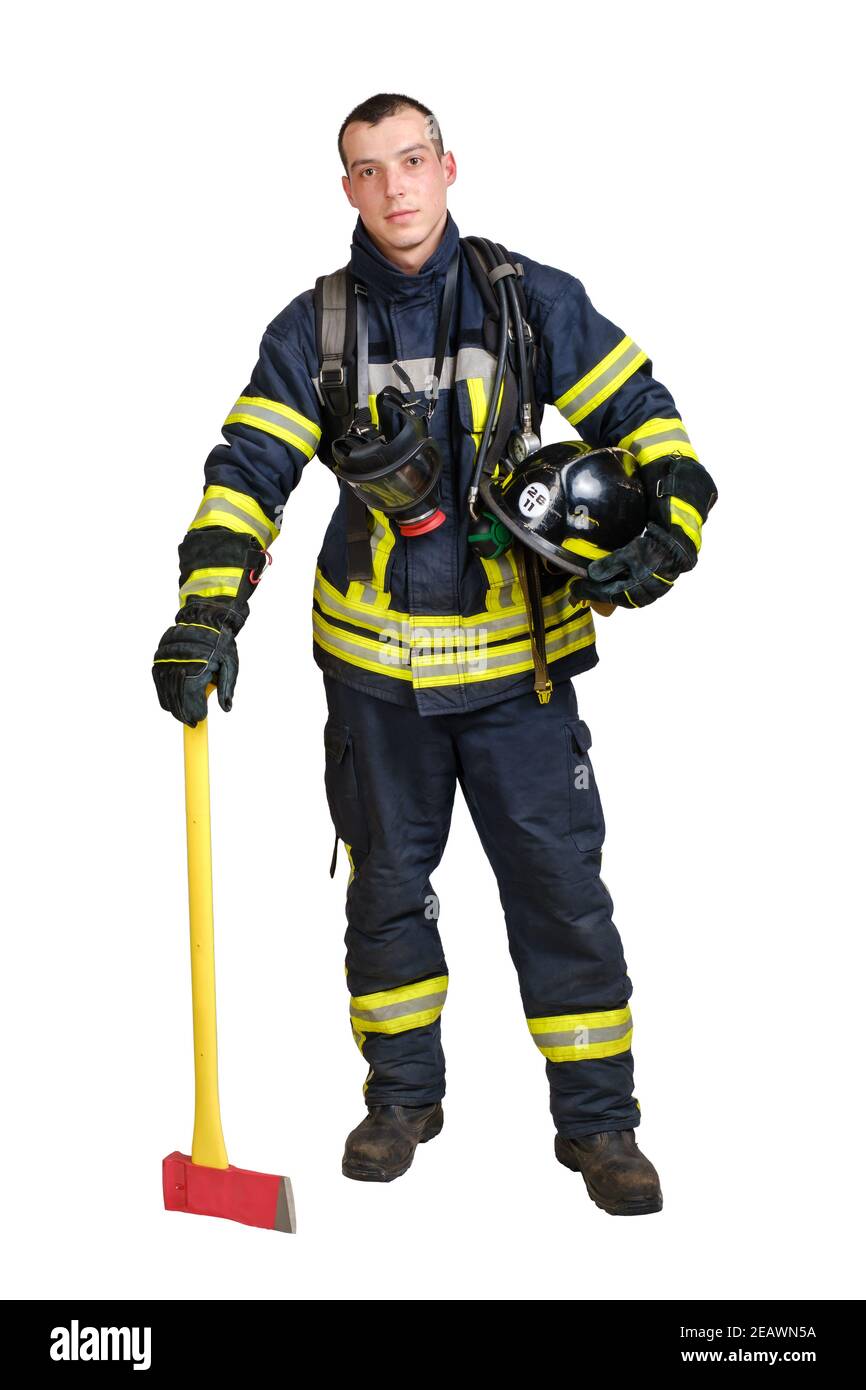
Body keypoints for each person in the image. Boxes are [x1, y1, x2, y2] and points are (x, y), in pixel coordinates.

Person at [153, 93, 717, 1216]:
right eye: (369, 169)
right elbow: (244, 476)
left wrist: (673, 523)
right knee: (386, 899)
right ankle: (401, 1099)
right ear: (348, 190)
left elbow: (648, 420)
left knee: (559, 895)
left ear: (447, 167)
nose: (396, 186)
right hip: (377, 683)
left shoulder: (528, 301)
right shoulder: (309, 331)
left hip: (520, 673)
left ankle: (599, 1125)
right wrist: (205, 611)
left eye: (411, 160)